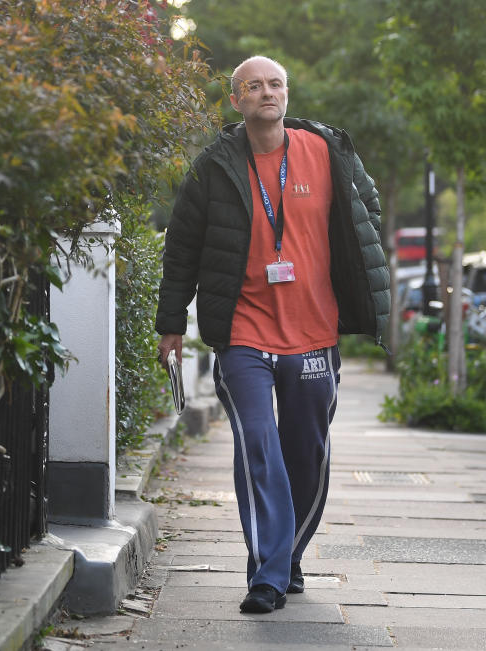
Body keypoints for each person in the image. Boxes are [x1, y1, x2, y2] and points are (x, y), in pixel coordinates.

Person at [155, 55, 389, 613]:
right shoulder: (213, 167)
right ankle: (267, 571)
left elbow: (366, 214)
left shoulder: (328, 151)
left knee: (305, 450)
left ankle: (286, 554)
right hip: (242, 332)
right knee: (257, 441)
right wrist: (171, 326)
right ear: (236, 100)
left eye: (276, 83)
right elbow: (181, 250)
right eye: (253, 86)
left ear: (287, 92)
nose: (267, 92)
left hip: (313, 331)